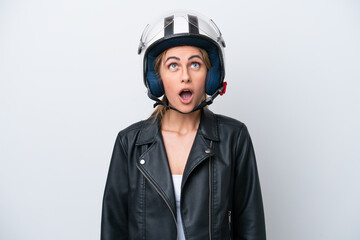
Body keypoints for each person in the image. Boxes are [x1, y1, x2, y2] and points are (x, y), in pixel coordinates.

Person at [101, 10, 266, 240]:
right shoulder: (129, 143)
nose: (185, 76)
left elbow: (251, 228)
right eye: (173, 66)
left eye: (195, 64)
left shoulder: (234, 138)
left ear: (211, 75)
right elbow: (112, 231)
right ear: (156, 78)